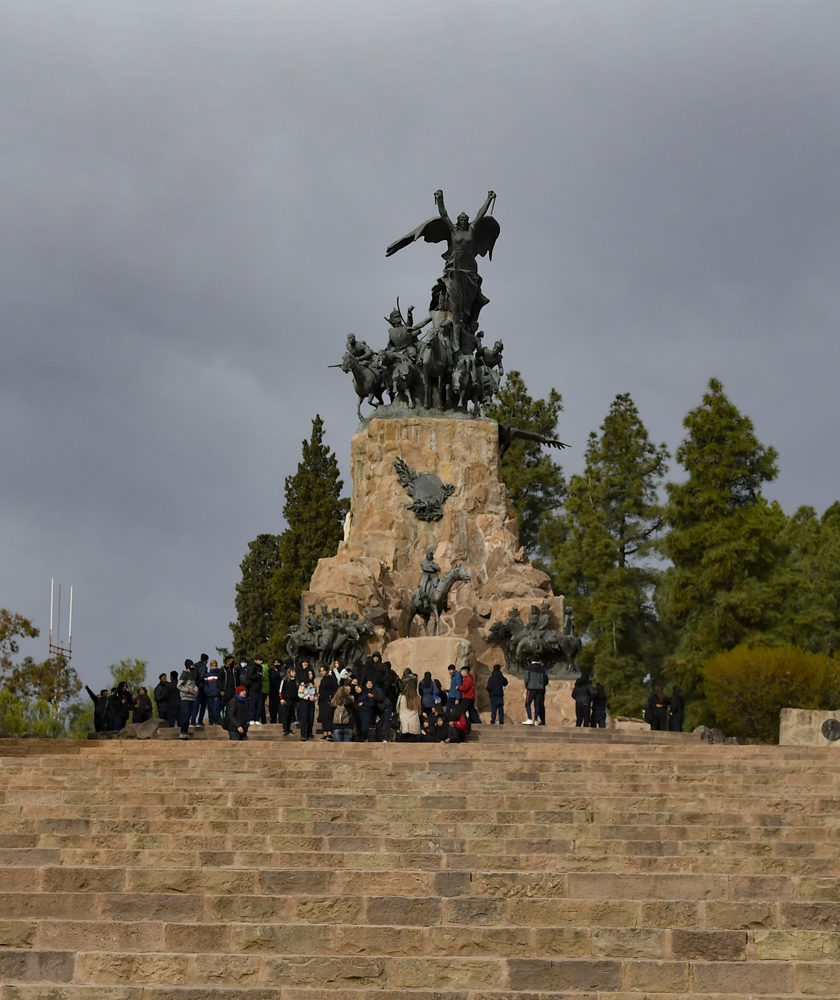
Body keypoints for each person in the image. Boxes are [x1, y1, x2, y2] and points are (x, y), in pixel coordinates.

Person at [177, 660, 198, 740]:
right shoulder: (184, 675)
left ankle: (186, 731)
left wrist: (195, 691)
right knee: (185, 715)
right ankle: (182, 732)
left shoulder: (193, 675)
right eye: (192, 665)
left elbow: (194, 685)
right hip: (185, 698)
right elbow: (179, 686)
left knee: (189, 715)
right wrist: (188, 690)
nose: (193, 666)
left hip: (192, 698)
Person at [396, 676, 421, 741]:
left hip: (403, 723)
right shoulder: (417, 698)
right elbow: (419, 710)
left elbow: (397, 709)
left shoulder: (401, 697)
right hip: (414, 723)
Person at [523, 660, 548, 726]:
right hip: (540, 689)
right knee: (537, 705)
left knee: (528, 703)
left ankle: (529, 718)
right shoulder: (542, 668)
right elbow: (545, 679)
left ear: (532, 660)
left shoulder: (529, 667)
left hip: (531, 688)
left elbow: (526, 678)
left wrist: (527, 685)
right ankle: (536, 720)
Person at [297, 668, 317, 741]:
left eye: (311, 674)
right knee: (304, 719)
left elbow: (316, 693)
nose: (311, 676)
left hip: (311, 703)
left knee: (311, 719)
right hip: (304, 702)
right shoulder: (303, 684)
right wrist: (307, 697)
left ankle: (309, 734)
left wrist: (315, 698)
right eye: (309, 674)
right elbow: (300, 694)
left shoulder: (313, 684)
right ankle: (303, 735)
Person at [279, 666, 299, 736]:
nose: (294, 673)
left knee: (291, 715)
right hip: (286, 700)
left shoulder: (296, 682)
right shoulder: (285, 681)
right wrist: (281, 698)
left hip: (294, 701)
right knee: (286, 715)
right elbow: (281, 691)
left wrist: (298, 701)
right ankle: (285, 729)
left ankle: (289, 729)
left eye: (295, 672)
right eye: (293, 672)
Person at [191, 653, 210, 728]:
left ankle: (192, 720)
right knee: (202, 705)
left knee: (195, 705)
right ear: (206, 660)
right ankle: (199, 721)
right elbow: (202, 677)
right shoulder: (203, 667)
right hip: (201, 688)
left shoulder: (195, 665)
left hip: (194, 687)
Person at [203, 659, 224, 726]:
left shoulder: (219, 674)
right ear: (210, 666)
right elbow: (205, 684)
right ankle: (211, 721)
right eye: (213, 666)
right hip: (209, 694)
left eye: (215, 666)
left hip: (216, 694)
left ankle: (216, 721)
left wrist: (219, 690)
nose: (214, 667)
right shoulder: (207, 675)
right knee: (210, 709)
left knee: (216, 708)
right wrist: (207, 691)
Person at [246, 657, 264, 725]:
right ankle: (251, 718)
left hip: (259, 689)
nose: (261, 661)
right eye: (259, 660)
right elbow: (249, 676)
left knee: (259, 705)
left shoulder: (261, 668)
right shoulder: (252, 667)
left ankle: (257, 719)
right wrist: (258, 675)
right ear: (255, 660)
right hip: (253, 689)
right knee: (252, 705)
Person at [268, 659, 285, 725]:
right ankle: (273, 719)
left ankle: (281, 720)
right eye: (275, 662)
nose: (276, 664)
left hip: (281, 691)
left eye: (278, 662)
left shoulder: (283, 671)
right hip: (272, 691)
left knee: (280, 706)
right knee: (272, 706)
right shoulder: (271, 671)